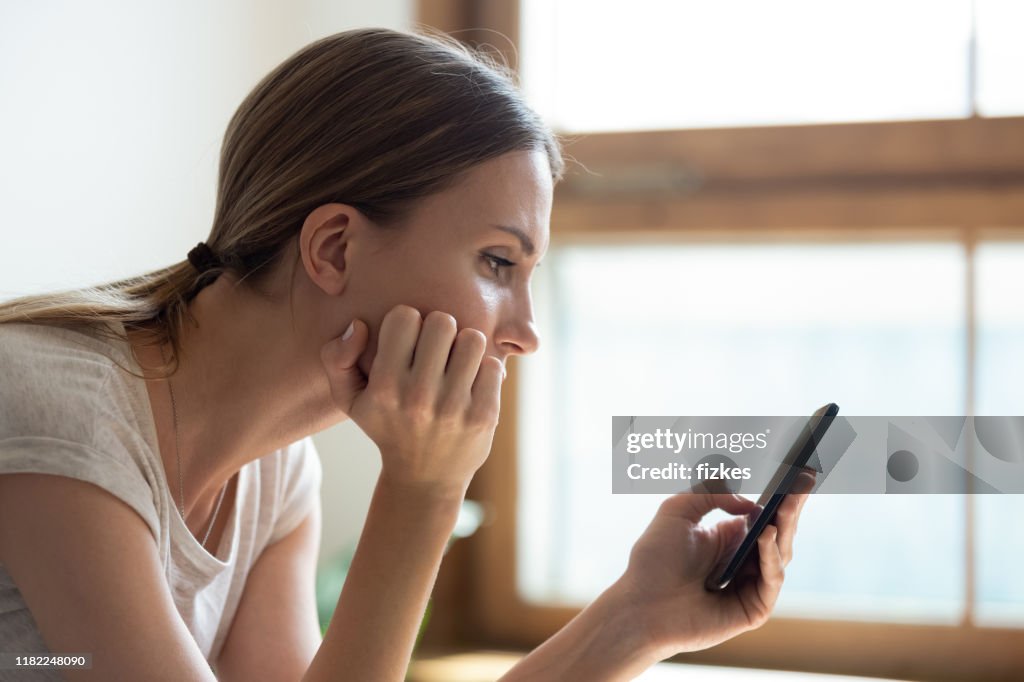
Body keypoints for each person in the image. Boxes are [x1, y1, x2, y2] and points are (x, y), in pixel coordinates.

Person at [0, 27, 814, 681]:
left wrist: (635, 621)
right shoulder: (58, 413)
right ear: (335, 249)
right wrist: (424, 491)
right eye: (499, 263)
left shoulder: (278, 473)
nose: (525, 330)